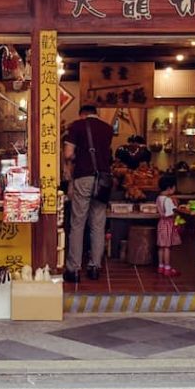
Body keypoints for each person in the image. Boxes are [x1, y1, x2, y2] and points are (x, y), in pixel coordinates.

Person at [63, 105, 113, 282]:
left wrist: (73, 157)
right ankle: (94, 268)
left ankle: (74, 269)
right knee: (98, 224)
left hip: (83, 177)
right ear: (96, 113)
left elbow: (68, 153)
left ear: (82, 114)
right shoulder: (107, 128)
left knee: (78, 223)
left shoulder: (77, 126)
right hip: (103, 180)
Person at [156, 174, 182, 277]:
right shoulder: (168, 200)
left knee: (161, 247)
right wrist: (175, 204)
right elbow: (171, 213)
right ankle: (167, 268)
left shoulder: (159, 198)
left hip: (161, 223)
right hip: (168, 224)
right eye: (174, 187)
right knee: (167, 247)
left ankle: (160, 266)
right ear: (169, 188)